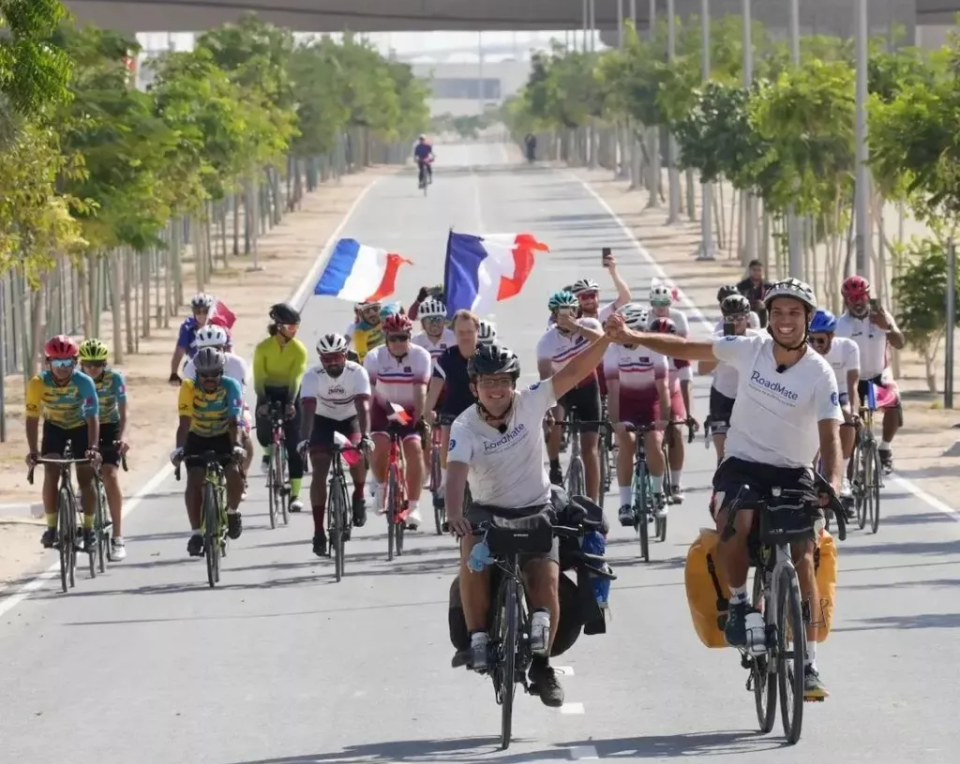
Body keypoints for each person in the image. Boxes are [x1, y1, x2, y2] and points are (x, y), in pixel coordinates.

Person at [610, 278, 842, 699]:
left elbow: (830, 437)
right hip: (742, 464)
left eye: (794, 313)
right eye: (777, 313)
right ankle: (738, 601)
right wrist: (632, 336)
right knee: (740, 517)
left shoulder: (819, 373)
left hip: (793, 472)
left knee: (806, 556)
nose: (785, 321)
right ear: (767, 318)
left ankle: (807, 662)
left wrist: (835, 483)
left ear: (807, 319)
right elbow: (689, 349)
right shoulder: (749, 346)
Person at [445, 312, 623, 708]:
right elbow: (455, 473)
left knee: (545, 576)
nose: (496, 390)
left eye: (503, 382)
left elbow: (576, 369)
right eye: (487, 383)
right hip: (486, 511)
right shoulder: (464, 427)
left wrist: (606, 340)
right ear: (474, 387)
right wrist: (454, 511)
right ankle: (477, 638)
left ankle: (542, 666)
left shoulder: (532, 401)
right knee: (470, 556)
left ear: (513, 384)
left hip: (536, 508)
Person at [299, 333, 373, 557]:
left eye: (336, 358)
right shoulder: (312, 375)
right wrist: (304, 439)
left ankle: (358, 494)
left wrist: (366, 436)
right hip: (322, 422)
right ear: (321, 358)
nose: (332, 363)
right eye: (326, 358)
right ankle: (319, 531)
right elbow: (308, 410)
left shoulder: (357, 372)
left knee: (357, 455)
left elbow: (363, 408)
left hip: (350, 420)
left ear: (344, 355)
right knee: (319, 470)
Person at [25, 336, 101, 552]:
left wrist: (93, 448)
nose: (62, 369)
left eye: (67, 363)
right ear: (48, 363)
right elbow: (32, 419)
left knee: (85, 476)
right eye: (57, 363)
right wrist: (33, 451)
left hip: (80, 427)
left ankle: (88, 529)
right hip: (54, 427)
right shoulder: (38, 383)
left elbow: (93, 417)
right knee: (51, 471)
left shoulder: (84, 382)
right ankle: (51, 527)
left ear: (75, 363)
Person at [172, 347, 246, 556]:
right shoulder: (188, 387)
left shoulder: (231, 386)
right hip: (197, 436)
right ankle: (196, 533)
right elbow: (184, 422)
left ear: (222, 372)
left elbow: (235, 422)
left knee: (233, 473)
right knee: (194, 479)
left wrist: (237, 446)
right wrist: (179, 450)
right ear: (197, 374)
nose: (210, 379)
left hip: (225, 435)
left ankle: (232, 512)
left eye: (215, 374)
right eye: (205, 375)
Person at [603, 304, 671, 525]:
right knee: (626, 442)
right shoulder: (613, 350)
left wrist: (665, 419)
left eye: (625, 331)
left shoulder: (654, 348)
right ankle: (625, 503)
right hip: (626, 404)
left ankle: (659, 494)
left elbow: (663, 389)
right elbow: (613, 391)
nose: (621, 336)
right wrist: (614, 422)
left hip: (651, 403)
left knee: (654, 441)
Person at [364, 312, 432, 529]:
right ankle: (382, 487)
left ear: (409, 337)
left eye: (402, 337)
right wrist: (365, 425)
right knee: (380, 445)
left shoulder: (421, 355)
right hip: (383, 408)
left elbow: (421, 390)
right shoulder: (374, 357)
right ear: (386, 338)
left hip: (407, 410)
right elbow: (370, 394)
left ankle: (413, 506)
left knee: (414, 449)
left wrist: (419, 418)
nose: (398, 342)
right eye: (393, 338)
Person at [537, 290, 604, 502]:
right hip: (561, 389)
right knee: (555, 419)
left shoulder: (590, 326)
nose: (567, 315)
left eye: (572, 311)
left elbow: (605, 342)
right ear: (554, 315)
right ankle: (555, 464)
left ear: (577, 311)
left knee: (589, 450)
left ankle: (593, 504)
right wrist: (546, 409)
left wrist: (577, 328)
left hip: (587, 387)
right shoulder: (546, 341)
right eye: (561, 312)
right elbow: (545, 377)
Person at [834, 275, 905, 474]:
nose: (857, 302)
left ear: (868, 296)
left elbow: (900, 343)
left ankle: (884, 450)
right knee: (851, 421)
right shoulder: (841, 326)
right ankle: (849, 467)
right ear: (846, 300)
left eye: (861, 296)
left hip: (879, 376)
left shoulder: (881, 317)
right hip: (854, 380)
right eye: (852, 298)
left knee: (893, 403)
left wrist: (888, 327)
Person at [253, 303, 308, 512]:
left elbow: (296, 378)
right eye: (291, 328)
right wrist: (263, 403)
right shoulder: (263, 348)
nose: (294, 332)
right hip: (267, 390)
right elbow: (259, 378)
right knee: (262, 431)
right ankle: (268, 453)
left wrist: (292, 404)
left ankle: (295, 494)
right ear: (279, 326)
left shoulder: (299, 349)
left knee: (295, 445)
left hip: (290, 391)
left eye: (296, 328)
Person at [77, 339, 129, 561]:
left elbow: (124, 411)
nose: (92, 368)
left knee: (110, 475)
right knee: (82, 472)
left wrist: (123, 437)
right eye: (88, 363)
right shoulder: (75, 379)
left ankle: (118, 537)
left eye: (97, 363)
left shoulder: (115, 378)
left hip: (109, 426)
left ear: (105, 362)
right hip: (82, 425)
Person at [425, 310, 481, 507]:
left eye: (469, 331)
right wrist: (427, 410)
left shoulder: (487, 356)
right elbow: (436, 387)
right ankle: (445, 481)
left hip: (482, 411)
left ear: (477, 331)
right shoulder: (446, 357)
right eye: (460, 332)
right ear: (455, 334)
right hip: (454, 410)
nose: (465, 336)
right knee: (447, 437)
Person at [183, 325, 254, 477]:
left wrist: (238, 427)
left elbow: (239, 399)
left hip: (233, 407)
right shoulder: (190, 367)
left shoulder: (237, 364)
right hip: (202, 410)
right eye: (205, 348)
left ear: (224, 347)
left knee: (245, 436)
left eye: (216, 347)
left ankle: (243, 475)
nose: (211, 352)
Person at [697, 294, 759, 464]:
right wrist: (723, 348)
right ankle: (720, 488)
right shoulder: (716, 339)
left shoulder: (758, 339)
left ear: (748, 317)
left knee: (754, 456)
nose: (735, 322)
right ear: (723, 318)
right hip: (723, 398)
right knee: (724, 457)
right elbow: (702, 370)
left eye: (740, 317)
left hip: (750, 400)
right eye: (730, 318)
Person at [809, 308, 860, 506]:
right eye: (811, 340)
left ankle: (844, 475)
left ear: (832, 336)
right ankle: (810, 475)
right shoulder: (805, 350)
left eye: (820, 340)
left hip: (840, 393)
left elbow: (853, 384)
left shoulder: (848, 347)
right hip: (813, 393)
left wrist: (854, 411)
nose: (815, 345)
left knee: (847, 416)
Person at [649, 282, 694, 499]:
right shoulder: (645, 341)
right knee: (649, 434)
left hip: (673, 388)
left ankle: (675, 483)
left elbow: (686, 382)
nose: (660, 307)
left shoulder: (678, 346)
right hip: (651, 392)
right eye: (656, 304)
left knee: (676, 430)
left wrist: (690, 414)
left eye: (664, 303)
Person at [169, 293, 216, 385]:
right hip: (194, 367)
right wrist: (174, 373)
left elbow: (229, 351)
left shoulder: (218, 325)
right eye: (198, 311)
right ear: (193, 312)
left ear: (210, 311)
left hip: (217, 368)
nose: (201, 314)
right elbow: (179, 351)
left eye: (205, 311)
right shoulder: (187, 328)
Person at [736, 260, 773, 328]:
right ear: (749, 270)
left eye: (759, 270)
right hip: (747, 317)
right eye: (754, 270)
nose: (756, 272)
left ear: (763, 271)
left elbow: (773, 302)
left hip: (764, 316)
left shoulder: (768, 286)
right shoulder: (741, 286)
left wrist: (765, 304)